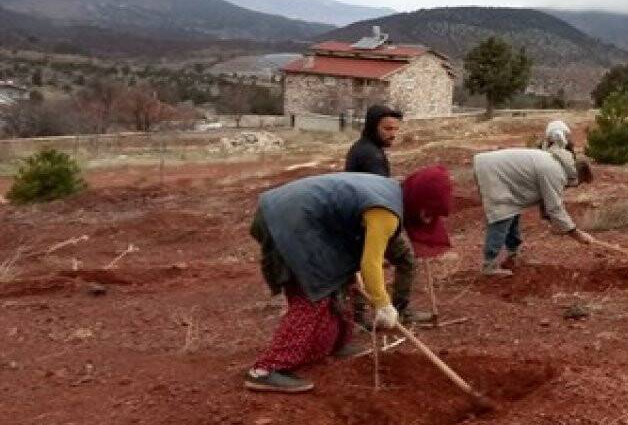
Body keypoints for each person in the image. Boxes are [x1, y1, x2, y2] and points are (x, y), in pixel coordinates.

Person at [244, 166, 452, 393]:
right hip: (288, 220)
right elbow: (370, 263)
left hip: (297, 217)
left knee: (338, 282)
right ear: (421, 205)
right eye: (429, 214)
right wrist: (383, 304)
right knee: (314, 293)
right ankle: (265, 370)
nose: (428, 220)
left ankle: (336, 344)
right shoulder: (386, 213)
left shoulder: (391, 192)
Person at [343, 105, 428, 325]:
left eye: (396, 129)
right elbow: (378, 194)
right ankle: (396, 311)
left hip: (359, 216)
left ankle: (360, 318)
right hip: (369, 218)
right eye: (388, 128)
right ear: (373, 127)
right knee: (403, 259)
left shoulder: (366, 148)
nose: (393, 134)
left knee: (357, 264)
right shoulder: (370, 155)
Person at [472, 147, 598, 277]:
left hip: (494, 170)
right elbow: (554, 207)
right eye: (581, 183)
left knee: (511, 211)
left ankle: (513, 256)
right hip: (493, 172)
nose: (577, 186)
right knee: (502, 215)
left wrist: (555, 222)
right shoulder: (555, 172)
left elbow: (547, 202)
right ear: (578, 175)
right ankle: (489, 265)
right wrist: (577, 234)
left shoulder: (556, 165)